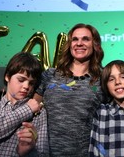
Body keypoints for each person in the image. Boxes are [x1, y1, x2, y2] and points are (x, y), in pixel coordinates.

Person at [34, 23, 107, 157]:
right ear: (69, 44)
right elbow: (31, 109)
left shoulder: (102, 79)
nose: (79, 43)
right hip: (43, 153)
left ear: (95, 44)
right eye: (75, 39)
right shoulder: (50, 75)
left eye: (85, 39)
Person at [0, 51, 49, 157]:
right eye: (21, 79)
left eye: (31, 83)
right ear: (7, 77)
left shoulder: (39, 113)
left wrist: (25, 152)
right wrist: (26, 110)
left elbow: (43, 153)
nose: (26, 86)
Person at [89, 60, 124, 157]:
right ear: (106, 86)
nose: (118, 82)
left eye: (123, 77)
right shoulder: (101, 112)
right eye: (111, 79)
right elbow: (93, 149)